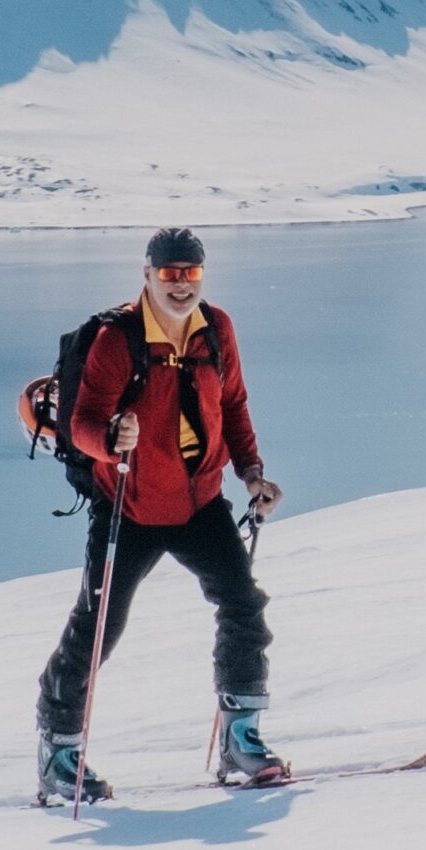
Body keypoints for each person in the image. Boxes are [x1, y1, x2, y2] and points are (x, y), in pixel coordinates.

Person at [35, 228, 286, 803]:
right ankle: (59, 749)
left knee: (245, 607)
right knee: (98, 627)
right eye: (170, 274)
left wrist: (252, 475)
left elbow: (234, 404)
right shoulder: (117, 339)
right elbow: (82, 424)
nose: (181, 284)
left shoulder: (216, 329)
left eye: (191, 273)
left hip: (199, 503)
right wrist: (109, 438)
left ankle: (240, 737)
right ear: (146, 274)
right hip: (129, 505)